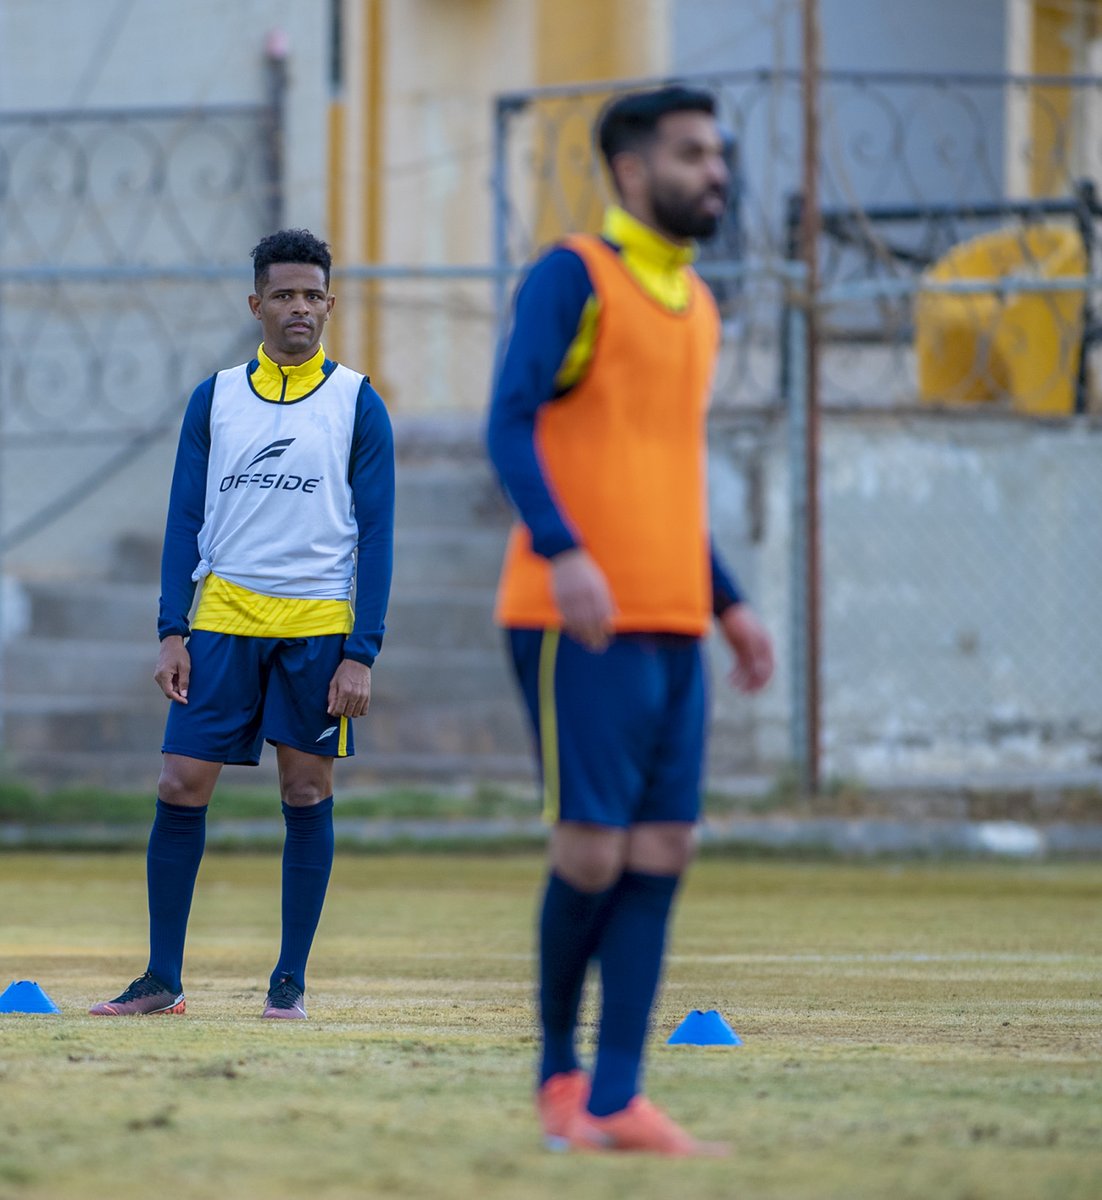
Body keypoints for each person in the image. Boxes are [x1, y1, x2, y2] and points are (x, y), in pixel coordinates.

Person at [487, 86, 774, 1156]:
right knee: (593, 854)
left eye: (719, 153)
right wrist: (561, 552)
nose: (716, 173)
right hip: (575, 622)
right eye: (692, 154)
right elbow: (507, 423)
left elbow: (664, 475)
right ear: (629, 170)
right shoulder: (575, 276)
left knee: (666, 845)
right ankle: (559, 1082)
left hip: (673, 621)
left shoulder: (697, 304)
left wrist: (731, 602)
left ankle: (617, 1099)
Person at [90, 228, 394, 1021]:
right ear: (255, 304)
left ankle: (288, 982)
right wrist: (171, 628)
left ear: (330, 303)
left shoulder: (357, 402)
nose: (301, 308)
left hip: (318, 629)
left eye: (313, 295)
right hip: (222, 623)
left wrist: (360, 653)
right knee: (178, 784)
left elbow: (379, 537)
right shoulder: (215, 397)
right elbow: (183, 516)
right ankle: (162, 979)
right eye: (285, 295)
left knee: (305, 790)